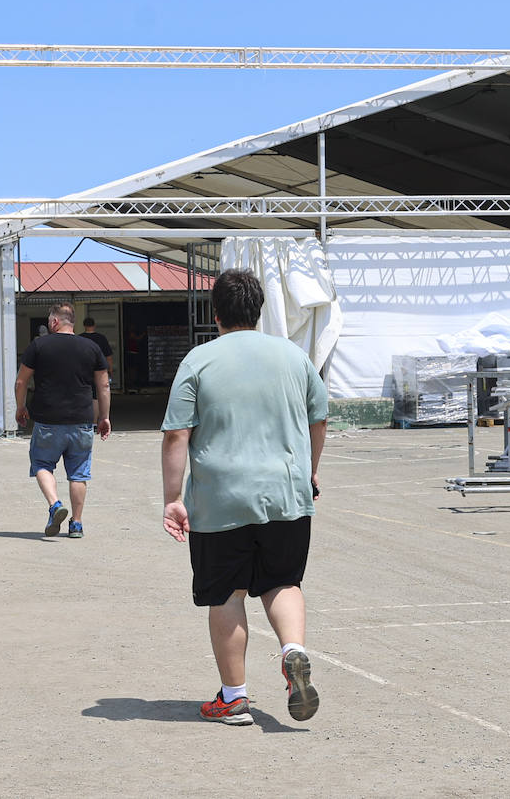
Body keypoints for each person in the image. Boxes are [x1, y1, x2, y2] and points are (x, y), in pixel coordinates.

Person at [160, 269, 328, 726]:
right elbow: (319, 420)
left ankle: (234, 698)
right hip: (286, 493)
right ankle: (293, 651)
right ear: (258, 311)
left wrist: (172, 497)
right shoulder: (294, 357)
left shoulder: (198, 360)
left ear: (215, 314)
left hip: (220, 500)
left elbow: (177, 434)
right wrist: (309, 470)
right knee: (283, 582)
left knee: (226, 594)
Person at [14, 302, 111, 539]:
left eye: (50, 320)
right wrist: (104, 417)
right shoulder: (91, 347)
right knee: (79, 473)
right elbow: (104, 385)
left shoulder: (39, 345)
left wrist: (20, 406)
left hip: (48, 419)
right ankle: (76, 524)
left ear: (55, 322)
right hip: (81, 420)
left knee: (42, 464)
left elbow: (21, 381)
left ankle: (55, 504)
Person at [80, 317, 114, 424]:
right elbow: (108, 356)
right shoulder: (101, 338)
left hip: (83, 370)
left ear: (84, 325)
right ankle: (94, 422)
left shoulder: (80, 338)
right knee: (96, 397)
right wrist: (110, 369)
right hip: (99, 370)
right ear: (94, 325)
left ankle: (84, 420)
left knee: (83, 395)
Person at [123, 325, 146, 393]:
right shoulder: (131, 334)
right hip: (132, 354)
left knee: (132, 369)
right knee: (132, 369)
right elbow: (137, 339)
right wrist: (143, 335)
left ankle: (131, 382)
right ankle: (131, 382)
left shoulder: (129, 334)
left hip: (132, 353)